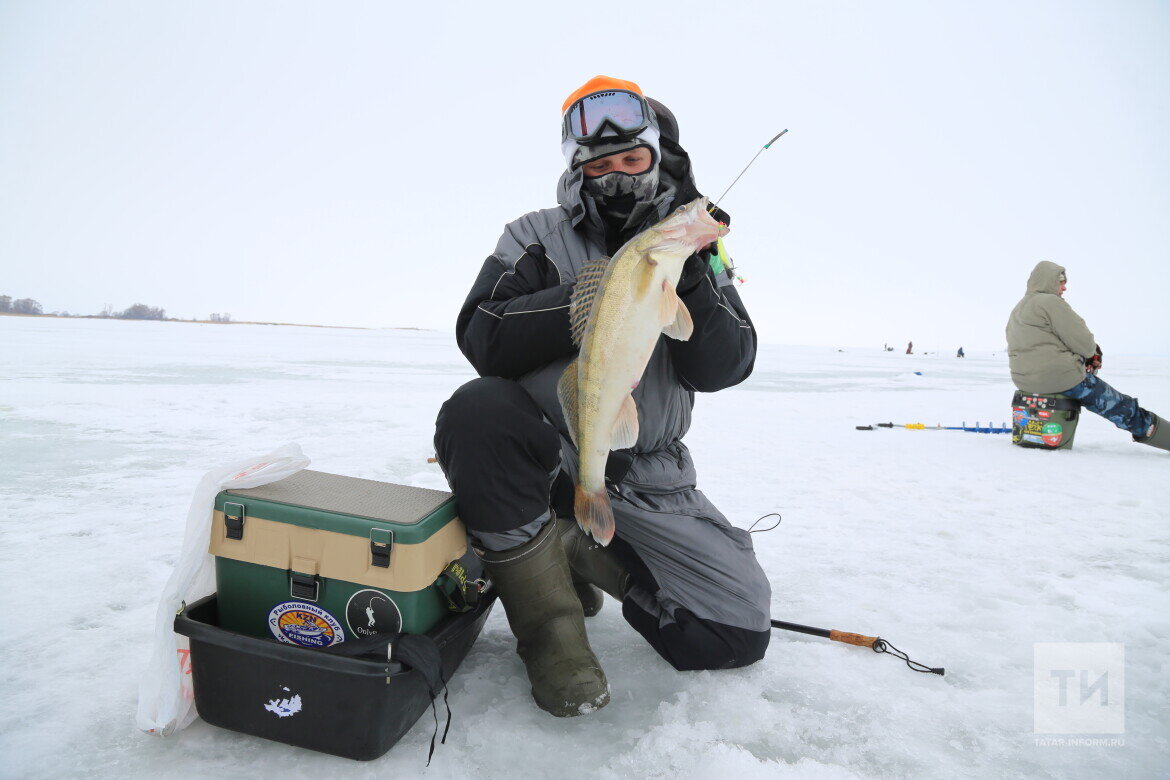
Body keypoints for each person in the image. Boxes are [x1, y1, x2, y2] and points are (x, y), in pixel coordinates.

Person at [433, 76, 772, 717]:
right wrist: (606, 292)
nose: (614, 175)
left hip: (650, 471)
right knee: (477, 413)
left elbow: (728, 365)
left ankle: (572, 547)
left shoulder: (698, 251)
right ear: (576, 171)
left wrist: (694, 276)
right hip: (547, 458)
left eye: (631, 160)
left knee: (733, 634)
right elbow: (482, 334)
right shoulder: (534, 235)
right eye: (598, 164)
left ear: (658, 157)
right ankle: (552, 639)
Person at [1005, 261, 1167, 452]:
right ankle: (1152, 429)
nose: (1065, 287)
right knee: (1121, 407)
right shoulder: (1050, 302)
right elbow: (1085, 343)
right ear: (1048, 282)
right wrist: (1092, 354)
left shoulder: (1019, 308)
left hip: (1025, 382)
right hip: (1062, 378)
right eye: (1061, 282)